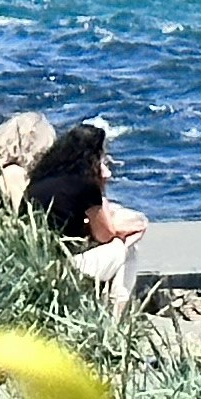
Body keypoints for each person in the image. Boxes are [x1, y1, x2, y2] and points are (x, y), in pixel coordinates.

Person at [20, 120, 149, 300]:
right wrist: (133, 230)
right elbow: (105, 235)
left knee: (120, 224)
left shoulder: (41, 179)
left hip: (34, 263)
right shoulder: (85, 184)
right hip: (64, 268)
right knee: (124, 249)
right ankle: (117, 313)